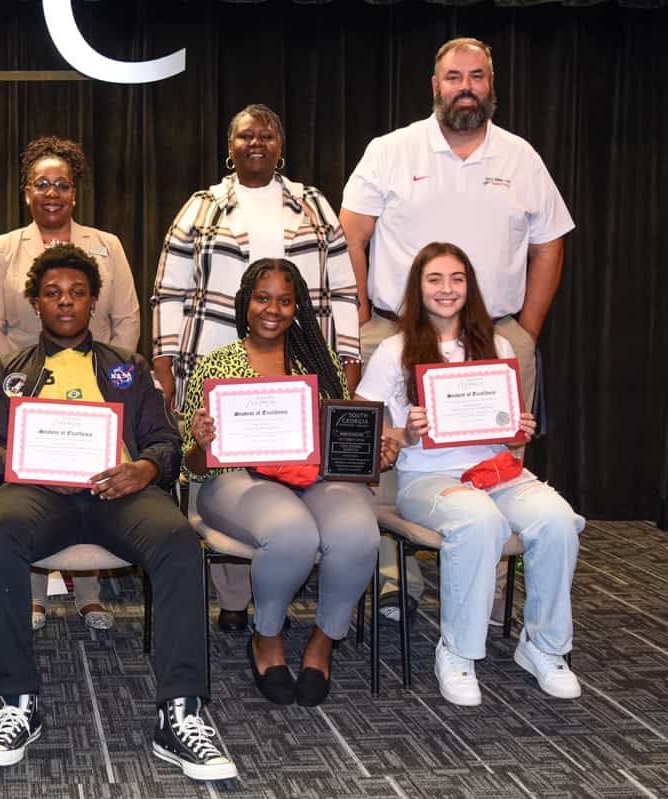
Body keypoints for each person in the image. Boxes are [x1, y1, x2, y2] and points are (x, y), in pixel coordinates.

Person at [0, 244, 237, 782]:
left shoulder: (129, 368)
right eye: (52, 293)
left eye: (76, 292)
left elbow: (165, 442)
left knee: (178, 540)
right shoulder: (7, 370)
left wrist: (142, 469)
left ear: (93, 301)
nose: (65, 302)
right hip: (38, 492)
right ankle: (17, 702)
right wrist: (27, 463)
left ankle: (180, 713)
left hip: (120, 492)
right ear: (35, 303)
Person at [340, 37, 575, 618]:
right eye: (453, 77)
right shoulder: (392, 150)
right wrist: (366, 322)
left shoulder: (521, 157)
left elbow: (550, 243)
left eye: (476, 76)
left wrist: (525, 331)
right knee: (383, 453)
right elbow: (351, 234)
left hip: (492, 333)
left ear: (491, 86)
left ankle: (489, 590)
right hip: (394, 328)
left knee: (495, 457)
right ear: (435, 85)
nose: (465, 87)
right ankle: (394, 579)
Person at [152, 104, 359, 633]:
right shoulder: (201, 207)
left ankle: (278, 586)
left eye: (267, 134)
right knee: (223, 468)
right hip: (214, 352)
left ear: (280, 144)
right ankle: (234, 598)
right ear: (231, 144)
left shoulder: (313, 204)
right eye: (246, 135)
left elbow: (342, 288)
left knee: (294, 477)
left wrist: (347, 366)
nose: (256, 142)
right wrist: (164, 359)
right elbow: (169, 290)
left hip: (301, 360)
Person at [355, 242, 583, 706]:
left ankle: (543, 645)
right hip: (427, 479)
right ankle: (457, 651)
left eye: (457, 278)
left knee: (558, 519)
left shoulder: (495, 345)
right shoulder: (394, 350)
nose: (446, 289)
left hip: (498, 471)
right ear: (418, 288)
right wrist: (405, 433)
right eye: (434, 279)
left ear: (470, 287)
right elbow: (364, 422)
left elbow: (503, 421)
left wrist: (520, 424)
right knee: (478, 521)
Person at [182, 259, 390, 706]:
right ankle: (267, 637)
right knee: (292, 533)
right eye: (262, 297)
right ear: (245, 302)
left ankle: (323, 641)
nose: (272, 309)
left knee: (358, 534)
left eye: (284, 300)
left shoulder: (319, 359)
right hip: (236, 481)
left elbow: (340, 439)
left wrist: (374, 452)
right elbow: (194, 465)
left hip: (313, 478)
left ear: (297, 308)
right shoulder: (216, 364)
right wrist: (201, 441)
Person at [0, 135, 140, 631]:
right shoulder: (4, 248)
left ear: (75, 191)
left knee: (89, 479)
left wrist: (113, 379)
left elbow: (126, 319)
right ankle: (33, 594)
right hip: (27, 393)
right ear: (26, 192)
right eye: (41, 184)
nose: (52, 193)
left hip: (98, 390)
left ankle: (88, 591)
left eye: (61, 185)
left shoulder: (106, 246)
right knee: (33, 486)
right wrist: (19, 383)